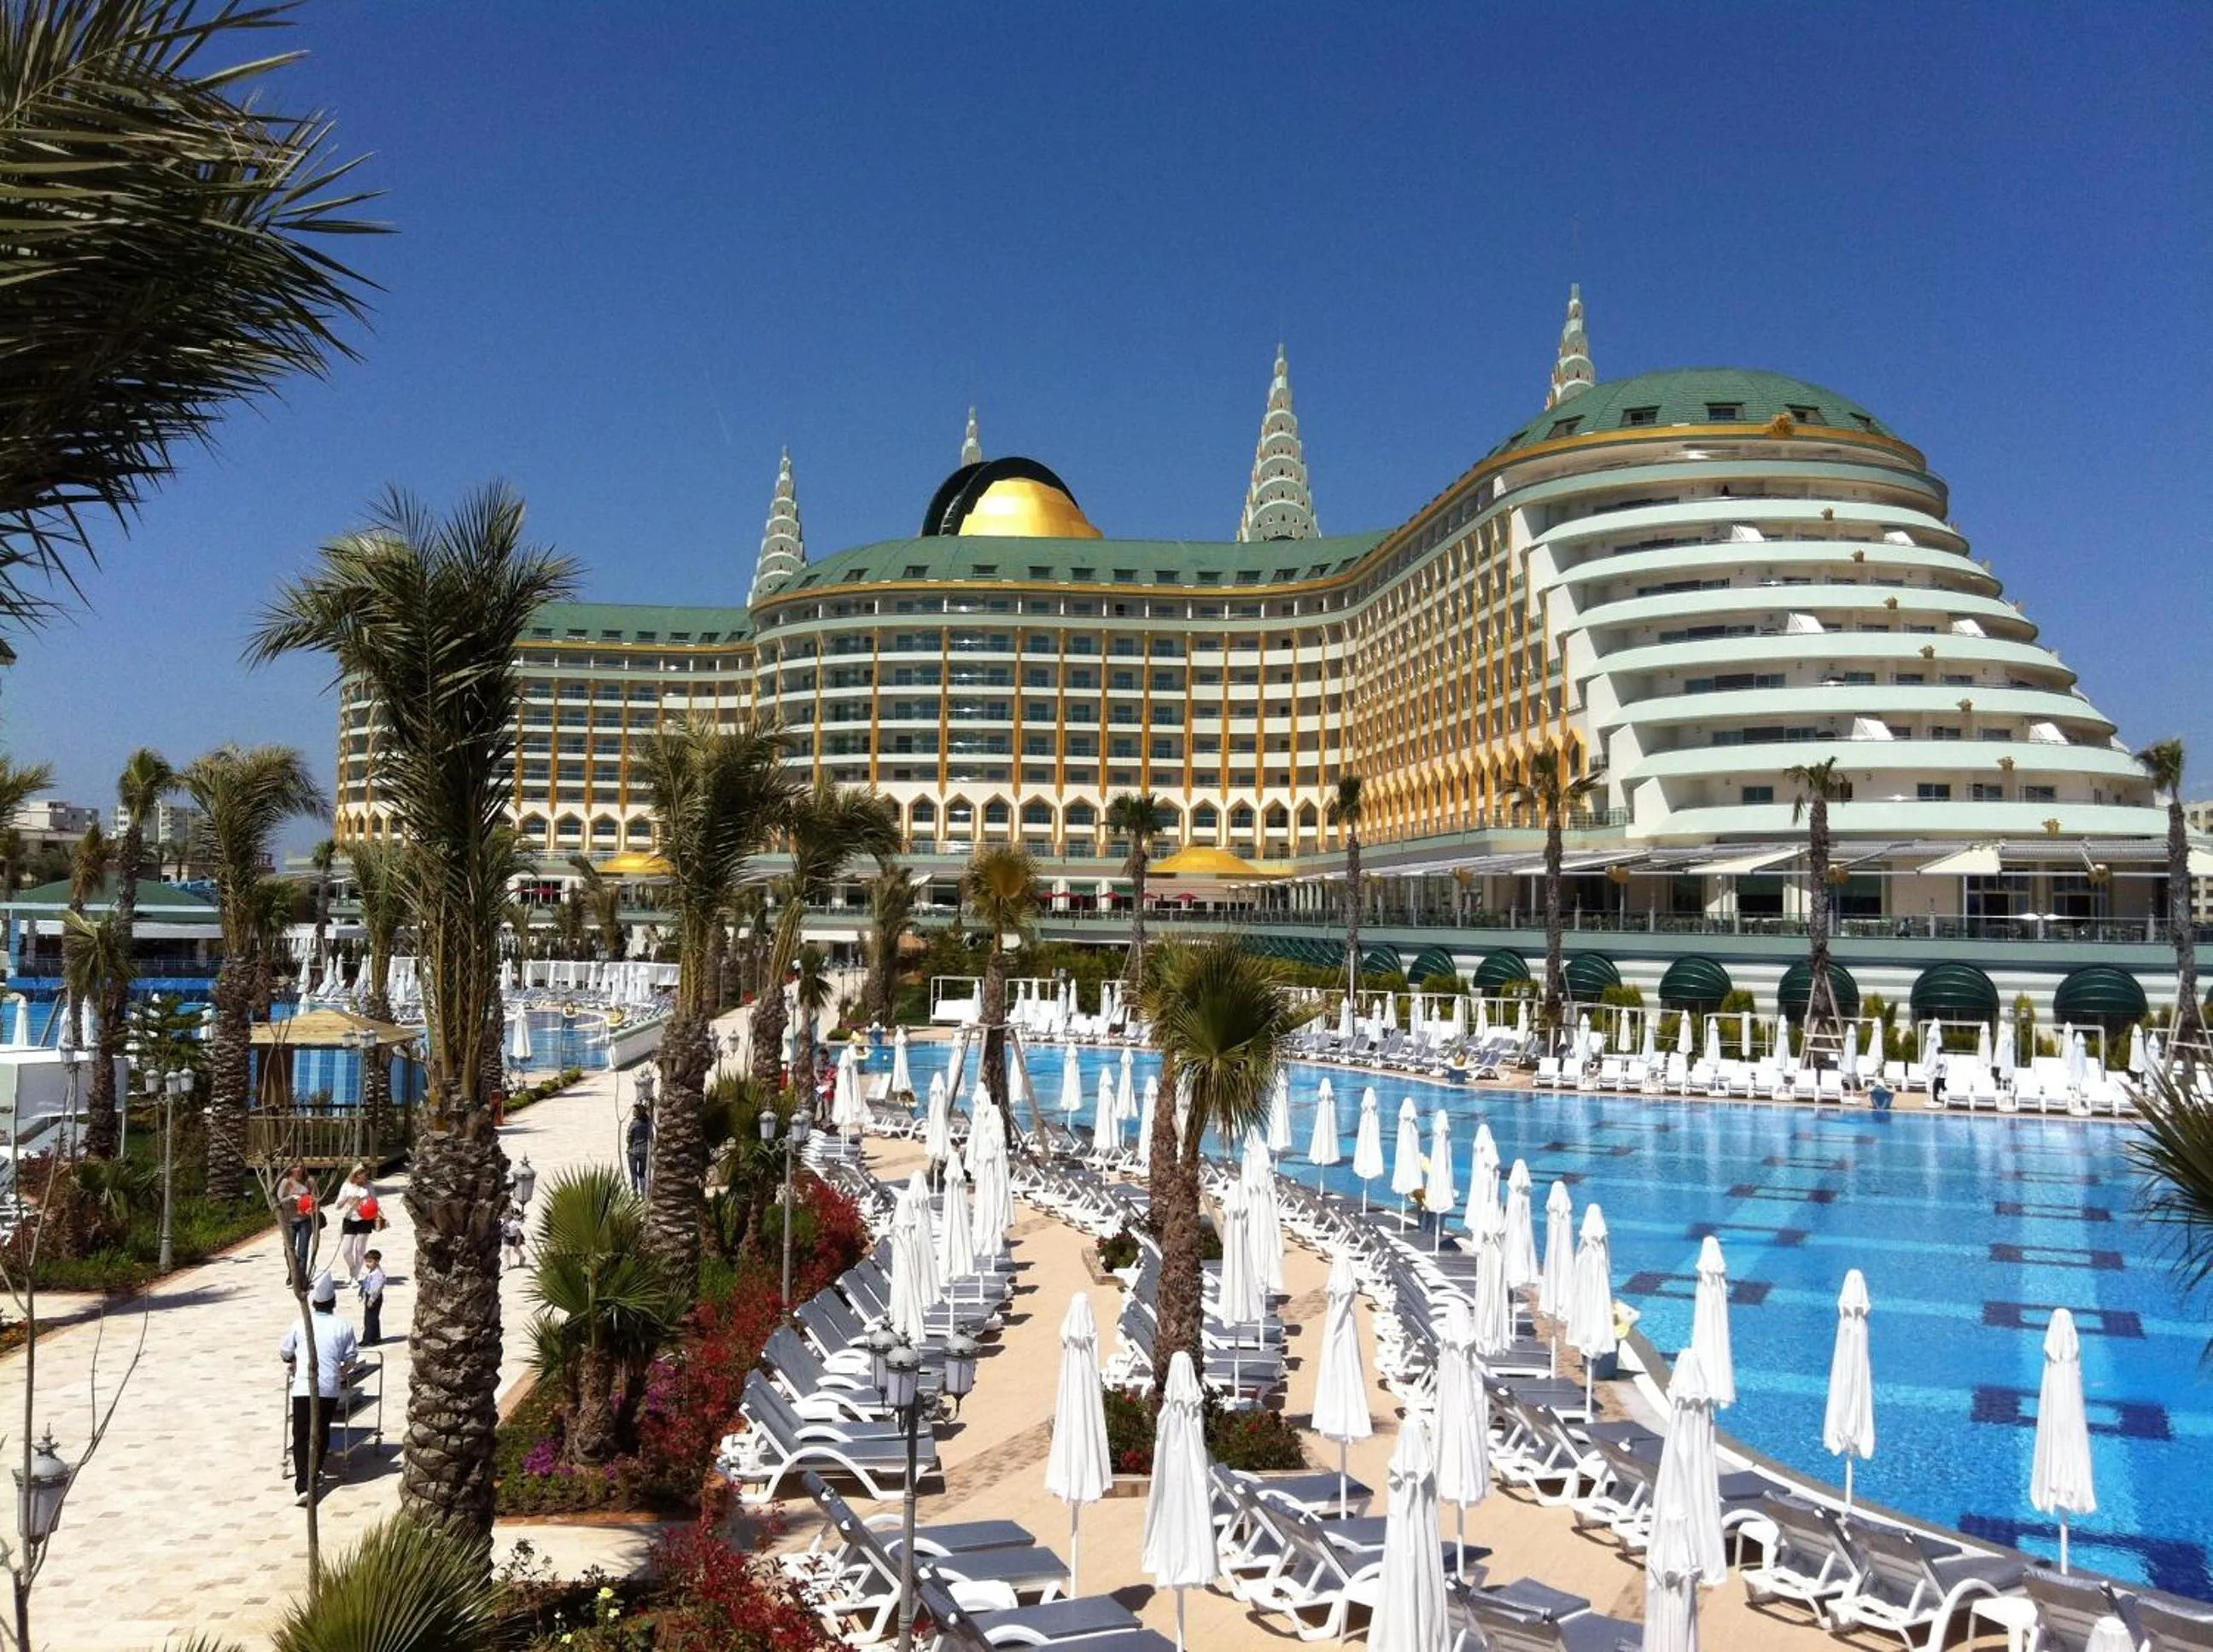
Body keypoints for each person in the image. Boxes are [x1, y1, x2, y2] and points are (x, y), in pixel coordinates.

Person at [279, 1271, 359, 1505]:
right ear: (334, 1303)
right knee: (322, 1431)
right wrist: (340, 1373)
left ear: (313, 1303)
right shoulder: (343, 1325)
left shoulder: (300, 1323)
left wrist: (293, 1361)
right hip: (328, 1387)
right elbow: (351, 1359)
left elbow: (285, 1352)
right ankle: (315, 1472)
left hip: (304, 1386)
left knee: (301, 1434)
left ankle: (304, 1483)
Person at [330, 1163, 380, 1281]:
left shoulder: (368, 1186)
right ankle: (353, 1268)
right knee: (346, 1250)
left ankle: (355, 1276)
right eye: (363, 1175)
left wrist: (365, 1201)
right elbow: (337, 1205)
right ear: (356, 1174)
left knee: (360, 1250)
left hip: (364, 1219)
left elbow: (375, 1203)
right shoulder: (347, 1186)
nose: (365, 1177)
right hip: (349, 1219)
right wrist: (347, 1200)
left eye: (366, 1175)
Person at [274, 1159, 315, 1283]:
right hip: (289, 1221)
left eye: (301, 1167)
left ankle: (301, 1277)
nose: (299, 1169)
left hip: (305, 1220)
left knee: (303, 1251)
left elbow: (316, 1198)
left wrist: (311, 1205)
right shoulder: (285, 1182)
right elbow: (277, 1201)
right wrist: (291, 1198)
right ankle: (293, 1272)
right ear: (291, 1169)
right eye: (296, 1167)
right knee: (289, 1250)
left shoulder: (309, 1181)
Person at [356, 1250, 387, 1345]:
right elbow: (366, 1284)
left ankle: (368, 1339)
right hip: (369, 1295)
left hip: (375, 1298)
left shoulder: (379, 1275)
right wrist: (361, 1293)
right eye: (367, 1261)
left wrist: (372, 1300)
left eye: (370, 1261)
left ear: (377, 1262)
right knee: (372, 1317)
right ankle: (376, 1337)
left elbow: (377, 1289)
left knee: (370, 1319)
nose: (367, 1264)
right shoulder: (372, 1272)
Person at [625, 1101, 652, 1194]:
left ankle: (635, 1193)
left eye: (635, 1111)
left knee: (633, 1174)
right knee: (642, 1174)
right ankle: (644, 1193)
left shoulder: (634, 1123)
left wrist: (629, 1144)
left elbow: (629, 1137)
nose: (633, 1112)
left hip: (633, 1151)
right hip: (644, 1151)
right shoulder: (648, 1122)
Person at [500, 1204, 526, 1271]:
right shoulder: (503, 1222)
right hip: (507, 1238)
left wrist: (518, 1242)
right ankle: (507, 1265)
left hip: (515, 1238)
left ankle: (522, 1257)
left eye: (506, 1215)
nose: (504, 1216)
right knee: (505, 1250)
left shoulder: (513, 1223)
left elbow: (518, 1232)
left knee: (516, 1250)